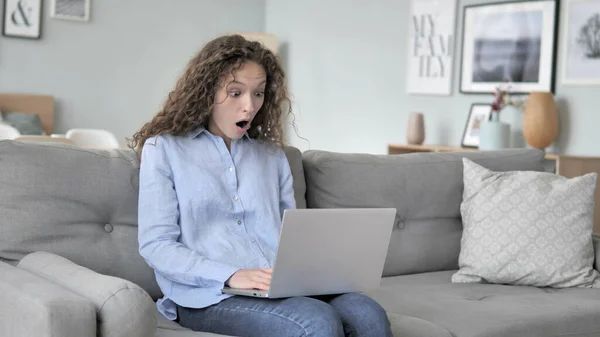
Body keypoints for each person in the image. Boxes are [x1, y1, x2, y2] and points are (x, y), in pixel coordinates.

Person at [130, 34, 392, 337]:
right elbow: (156, 245)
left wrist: (319, 270)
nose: (249, 106)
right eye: (236, 92)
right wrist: (232, 274)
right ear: (206, 91)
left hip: (276, 286)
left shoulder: (272, 156)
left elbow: (292, 237)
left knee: (368, 314)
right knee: (316, 321)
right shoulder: (164, 149)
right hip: (208, 296)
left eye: (258, 94)